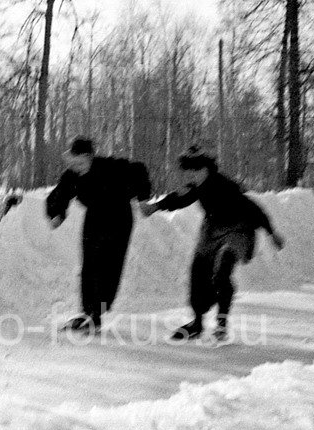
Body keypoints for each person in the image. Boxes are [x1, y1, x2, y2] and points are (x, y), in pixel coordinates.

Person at [141, 147, 284, 341]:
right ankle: (197, 323)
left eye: (196, 170)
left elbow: (252, 208)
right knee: (198, 273)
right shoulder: (197, 186)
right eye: (189, 171)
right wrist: (155, 206)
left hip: (238, 230)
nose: (192, 175)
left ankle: (221, 324)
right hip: (212, 231)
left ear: (207, 169)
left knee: (222, 269)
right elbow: (180, 198)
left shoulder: (224, 186)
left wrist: (271, 232)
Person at [46, 137, 151, 333]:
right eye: (73, 163)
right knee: (90, 264)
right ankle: (87, 312)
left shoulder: (111, 167)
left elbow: (139, 170)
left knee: (109, 264)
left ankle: (97, 314)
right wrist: (57, 213)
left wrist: (144, 197)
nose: (77, 167)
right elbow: (60, 193)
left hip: (119, 216)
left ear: (90, 157)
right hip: (95, 216)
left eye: (80, 163)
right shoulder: (73, 175)